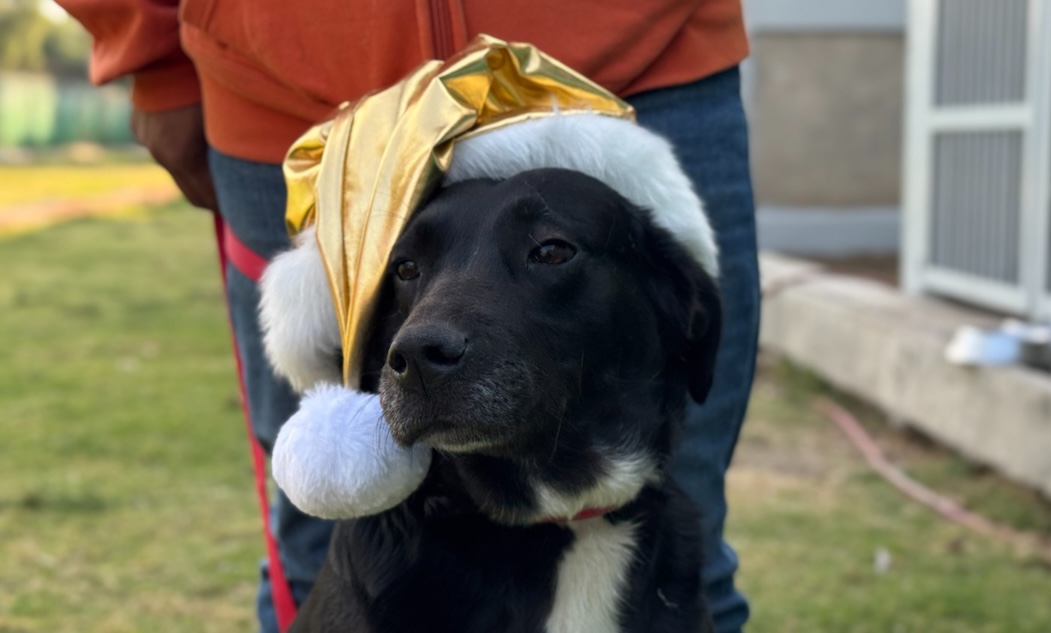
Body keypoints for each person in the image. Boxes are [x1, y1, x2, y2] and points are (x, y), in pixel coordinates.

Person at [57, 2, 761, 632]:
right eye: (409, 275)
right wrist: (146, 47)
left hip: (647, 55)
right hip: (283, 84)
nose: (423, 338)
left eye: (547, 252)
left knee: (685, 520)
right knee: (331, 517)